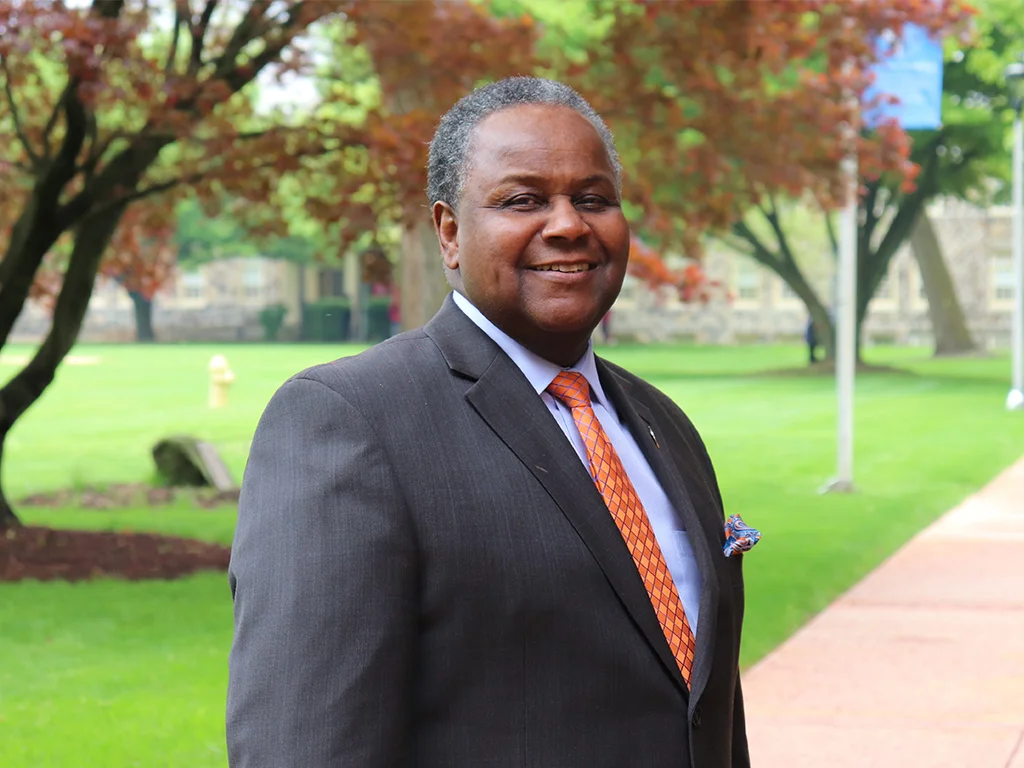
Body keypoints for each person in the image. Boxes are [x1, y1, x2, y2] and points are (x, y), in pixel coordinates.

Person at [227, 77, 750, 768]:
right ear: (449, 232)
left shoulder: (663, 426)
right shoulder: (351, 421)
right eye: (523, 200)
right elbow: (306, 747)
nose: (568, 224)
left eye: (593, 198)